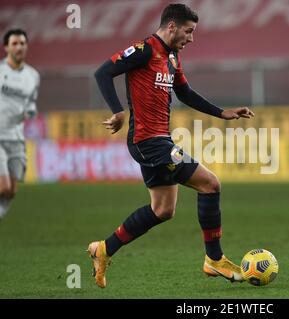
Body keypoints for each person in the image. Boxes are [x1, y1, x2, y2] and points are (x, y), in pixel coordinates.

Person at [89, 3, 254, 288]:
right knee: (210, 184)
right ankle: (214, 259)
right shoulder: (144, 49)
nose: (191, 38)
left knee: (163, 210)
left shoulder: (172, 57)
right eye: (189, 31)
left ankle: (103, 249)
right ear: (172, 26)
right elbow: (103, 72)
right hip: (147, 142)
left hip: (160, 140)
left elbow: (185, 92)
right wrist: (117, 111)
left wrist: (222, 112)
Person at [0, 29, 40, 220]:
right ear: (6, 47)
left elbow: (31, 103)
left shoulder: (32, 76)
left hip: (16, 137)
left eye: (22, 43)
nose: (19, 47)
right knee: (3, 186)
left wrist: (30, 111)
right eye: (14, 43)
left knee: (11, 192)